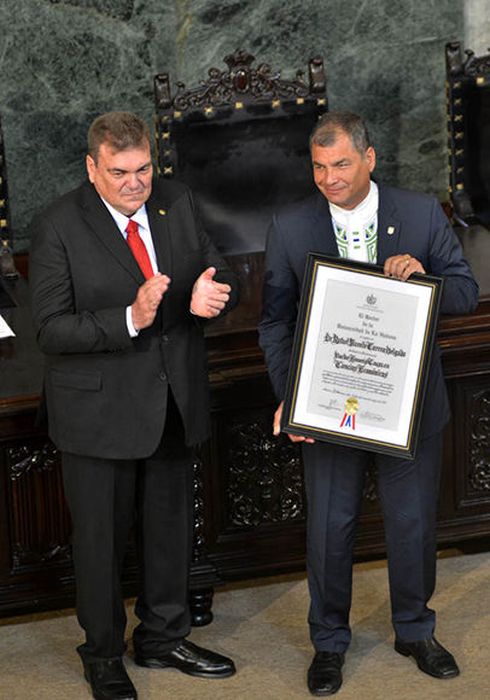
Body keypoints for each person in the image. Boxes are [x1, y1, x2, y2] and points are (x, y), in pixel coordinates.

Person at [258, 111, 478, 696]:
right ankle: (329, 643)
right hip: (328, 408)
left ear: (370, 158)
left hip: (407, 405)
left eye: (342, 165)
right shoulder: (289, 224)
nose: (329, 178)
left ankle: (414, 629)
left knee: (411, 524)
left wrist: (424, 275)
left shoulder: (422, 213)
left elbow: (465, 291)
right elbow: (275, 322)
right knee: (331, 528)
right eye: (319, 166)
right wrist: (293, 397)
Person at [29, 111, 239, 700]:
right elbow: (48, 329)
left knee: (169, 530)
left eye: (143, 168)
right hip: (97, 414)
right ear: (92, 168)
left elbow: (222, 268)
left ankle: (163, 637)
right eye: (120, 171)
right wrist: (129, 318)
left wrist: (212, 289)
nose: (135, 182)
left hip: (173, 400)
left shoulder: (179, 201)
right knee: (99, 541)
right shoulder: (58, 225)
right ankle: (101, 653)